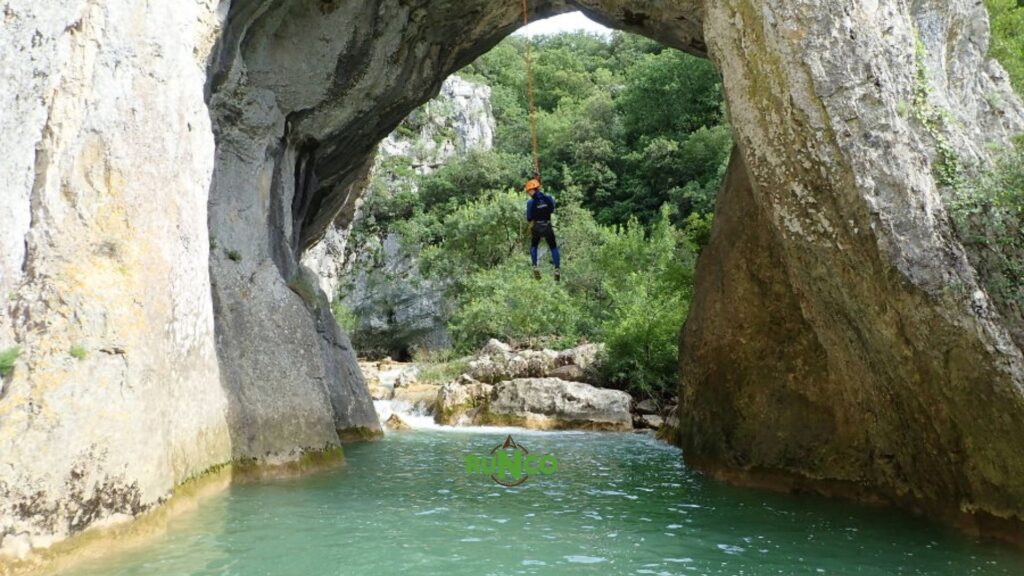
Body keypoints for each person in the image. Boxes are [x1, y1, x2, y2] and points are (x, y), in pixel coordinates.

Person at [524, 178, 561, 281]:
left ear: (533, 190)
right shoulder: (548, 198)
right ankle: (557, 268)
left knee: (534, 246)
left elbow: (529, 218)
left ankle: (535, 266)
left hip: (537, 227)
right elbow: (552, 209)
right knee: (553, 247)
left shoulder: (531, 202)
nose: (528, 193)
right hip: (547, 226)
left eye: (529, 191)